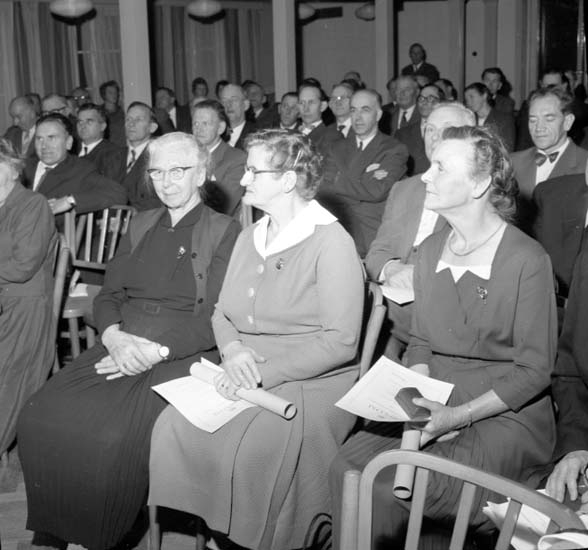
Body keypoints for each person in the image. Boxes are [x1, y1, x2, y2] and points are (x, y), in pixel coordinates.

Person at [331, 125, 557, 548]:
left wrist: (456, 417)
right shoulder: (432, 248)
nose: (426, 176)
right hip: (435, 395)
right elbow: (420, 342)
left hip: (502, 412)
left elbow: (534, 372)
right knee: (348, 466)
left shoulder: (527, 259)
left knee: (394, 488)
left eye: (440, 167)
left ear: (480, 184)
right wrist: (418, 401)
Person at [17, 132, 240, 550]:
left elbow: (215, 316)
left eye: (178, 171)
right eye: (156, 172)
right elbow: (109, 295)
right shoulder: (141, 223)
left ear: (201, 174)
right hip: (122, 339)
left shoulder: (225, 231)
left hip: (181, 349)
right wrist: (114, 337)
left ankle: (100, 537)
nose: (166, 182)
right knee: (38, 414)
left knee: (110, 437)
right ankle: (52, 532)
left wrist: (154, 351)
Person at [148, 129, 365, 550]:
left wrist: (262, 375)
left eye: (253, 171)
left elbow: (340, 343)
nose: (243, 180)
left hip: (312, 377)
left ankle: (256, 538)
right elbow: (221, 312)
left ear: (288, 181)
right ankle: (218, 528)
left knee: (254, 448)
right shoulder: (251, 235)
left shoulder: (331, 242)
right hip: (243, 364)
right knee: (174, 425)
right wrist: (232, 350)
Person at [366, 102, 475, 359]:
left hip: (444, 312)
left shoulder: (476, 192)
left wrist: (418, 276)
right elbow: (377, 252)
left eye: (447, 129)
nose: (436, 137)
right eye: (430, 129)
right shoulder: (404, 189)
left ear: (471, 136)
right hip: (394, 307)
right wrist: (391, 268)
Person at [0, 139, 57, 457]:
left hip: (24, 305)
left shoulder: (32, 204)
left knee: (7, 380)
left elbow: (22, 266)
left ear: (12, 168)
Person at [320, 89, 408, 257]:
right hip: (335, 229)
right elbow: (324, 188)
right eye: (353, 110)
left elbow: (376, 191)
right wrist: (363, 180)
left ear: (378, 115)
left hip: (370, 235)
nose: (357, 117)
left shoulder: (394, 149)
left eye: (365, 110)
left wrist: (338, 180)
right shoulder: (336, 148)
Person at [23, 113, 127, 221]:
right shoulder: (23, 167)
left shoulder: (80, 170)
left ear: (68, 142)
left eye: (51, 138)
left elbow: (118, 193)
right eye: (39, 139)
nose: (44, 146)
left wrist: (70, 200)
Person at [511, 86, 588, 232]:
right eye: (533, 120)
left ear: (568, 122)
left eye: (549, 118)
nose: (539, 127)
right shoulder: (513, 162)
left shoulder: (585, 164)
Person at [192, 99, 246, 217]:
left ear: (220, 128)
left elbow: (223, 207)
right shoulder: (187, 157)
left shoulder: (236, 159)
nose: (198, 129)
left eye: (205, 123)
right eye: (195, 123)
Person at [396, 84, 444, 176]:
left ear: (441, 103)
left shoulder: (449, 131)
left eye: (430, 98)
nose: (424, 102)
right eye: (421, 99)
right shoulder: (402, 134)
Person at [122, 101, 163, 210]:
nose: (131, 124)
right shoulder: (112, 157)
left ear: (152, 127)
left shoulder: (159, 157)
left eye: (138, 119)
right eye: (128, 119)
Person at [76, 102, 126, 182]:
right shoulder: (71, 152)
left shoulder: (113, 154)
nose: (83, 126)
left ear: (102, 126)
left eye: (89, 121)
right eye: (80, 122)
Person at [464, 82, 515, 151]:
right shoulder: (468, 119)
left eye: (471, 97)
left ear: (484, 95)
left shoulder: (504, 119)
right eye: (467, 99)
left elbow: (508, 148)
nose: (469, 102)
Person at [219, 83, 257, 151]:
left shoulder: (257, 135)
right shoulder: (215, 134)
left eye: (234, 100)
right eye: (224, 101)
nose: (228, 105)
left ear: (246, 105)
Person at [99, 80, 125, 147]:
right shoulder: (98, 112)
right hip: (105, 149)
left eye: (115, 92)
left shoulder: (122, 113)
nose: (114, 95)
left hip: (121, 148)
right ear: (104, 95)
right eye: (110, 92)